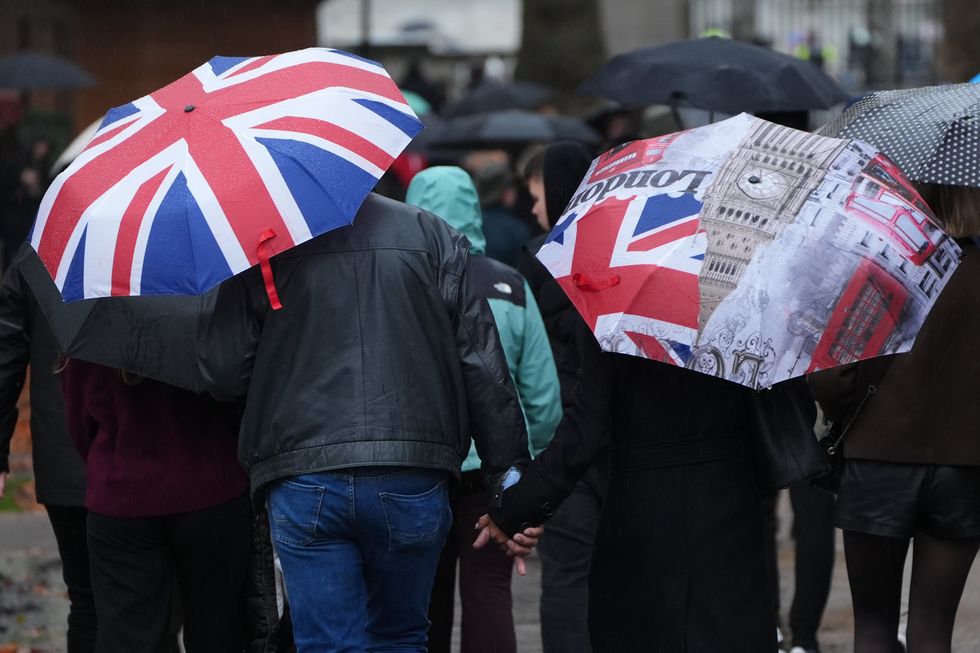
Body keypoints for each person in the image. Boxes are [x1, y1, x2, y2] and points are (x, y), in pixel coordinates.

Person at [197, 192, 539, 652]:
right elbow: (481, 363)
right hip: (412, 467)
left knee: (325, 643)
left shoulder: (266, 245)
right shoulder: (432, 234)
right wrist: (507, 483)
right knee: (399, 637)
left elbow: (223, 373)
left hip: (304, 469)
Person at [810, 183, 980, 653]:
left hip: (877, 459)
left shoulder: (882, 271)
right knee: (932, 629)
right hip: (965, 466)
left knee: (875, 626)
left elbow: (831, 377)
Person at [405, 166, 562, 653]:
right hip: (493, 478)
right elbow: (543, 398)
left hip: (419, 469)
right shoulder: (510, 284)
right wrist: (525, 479)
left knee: (419, 604)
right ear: (474, 210)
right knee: (489, 595)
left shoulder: (401, 281)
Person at [61, 360, 251, 653]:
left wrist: (110, 462)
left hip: (121, 489)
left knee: (126, 637)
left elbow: (78, 415)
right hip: (210, 480)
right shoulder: (209, 315)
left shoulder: (91, 317)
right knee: (219, 630)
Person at [516, 142, 609, 653]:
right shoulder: (618, 256)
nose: (533, 209)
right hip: (612, 433)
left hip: (563, 436)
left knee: (567, 574)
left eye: (537, 196)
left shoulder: (534, 264)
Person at [0, 243, 95, 652]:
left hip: (65, 458)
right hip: (141, 457)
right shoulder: (153, 238)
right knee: (144, 602)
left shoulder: (41, 252)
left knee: (87, 601)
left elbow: (6, 352)